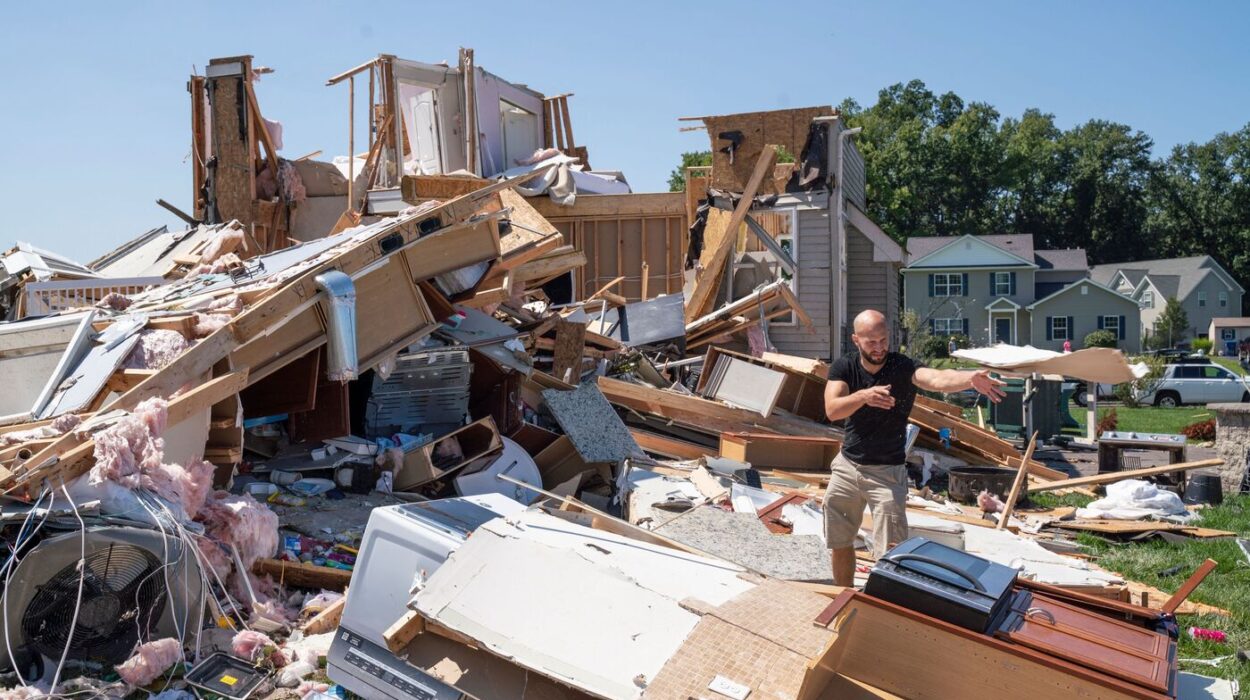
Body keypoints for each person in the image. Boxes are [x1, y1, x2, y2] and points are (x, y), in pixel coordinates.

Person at [823, 310, 1007, 586]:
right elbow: (832, 409)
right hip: (847, 466)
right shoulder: (844, 367)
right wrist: (863, 396)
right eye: (871, 341)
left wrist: (969, 379)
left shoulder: (902, 367)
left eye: (884, 340)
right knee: (840, 541)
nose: (879, 347)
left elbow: (936, 378)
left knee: (891, 553)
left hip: (887, 473)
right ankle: (844, 597)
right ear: (856, 340)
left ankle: (880, 611)